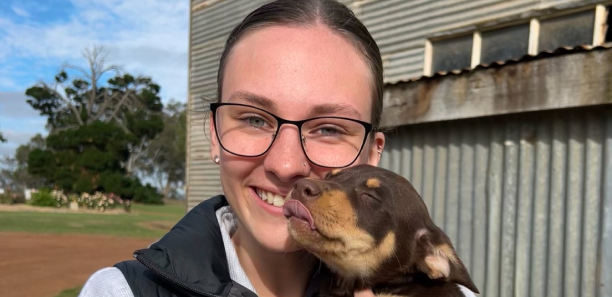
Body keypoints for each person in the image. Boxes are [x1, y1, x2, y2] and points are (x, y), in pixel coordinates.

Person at [78, 1, 476, 296]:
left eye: (329, 128)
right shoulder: (122, 292)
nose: (286, 166)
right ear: (214, 134)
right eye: (254, 119)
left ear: (372, 154)